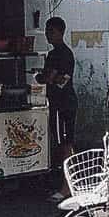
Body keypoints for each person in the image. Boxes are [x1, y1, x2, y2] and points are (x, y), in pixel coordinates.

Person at [37, 17, 77, 183]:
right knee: (63, 142)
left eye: (51, 31)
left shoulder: (60, 54)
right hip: (61, 103)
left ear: (61, 32)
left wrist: (43, 77)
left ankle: (69, 184)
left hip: (63, 104)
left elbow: (55, 79)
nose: (48, 35)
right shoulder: (58, 53)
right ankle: (68, 179)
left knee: (65, 144)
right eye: (47, 31)